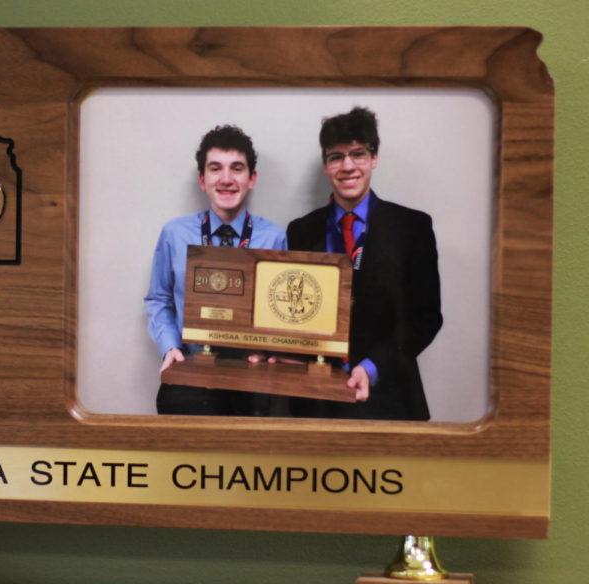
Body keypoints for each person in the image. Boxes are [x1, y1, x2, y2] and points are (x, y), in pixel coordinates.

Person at [285, 107, 442, 421]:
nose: (347, 166)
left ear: (374, 158)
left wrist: (372, 368)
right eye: (336, 157)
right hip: (316, 401)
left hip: (390, 396)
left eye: (358, 154)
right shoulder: (301, 231)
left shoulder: (412, 227)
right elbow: (292, 315)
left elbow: (425, 319)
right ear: (325, 165)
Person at [145, 125, 286, 415]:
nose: (226, 179)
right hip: (189, 371)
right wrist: (170, 347)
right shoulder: (174, 233)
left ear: (252, 179)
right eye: (215, 168)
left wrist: (269, 349)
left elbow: (280, 312)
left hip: (251, 378)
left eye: (236, 168)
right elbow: (159, 299)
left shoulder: (274, 238)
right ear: (202, 179)